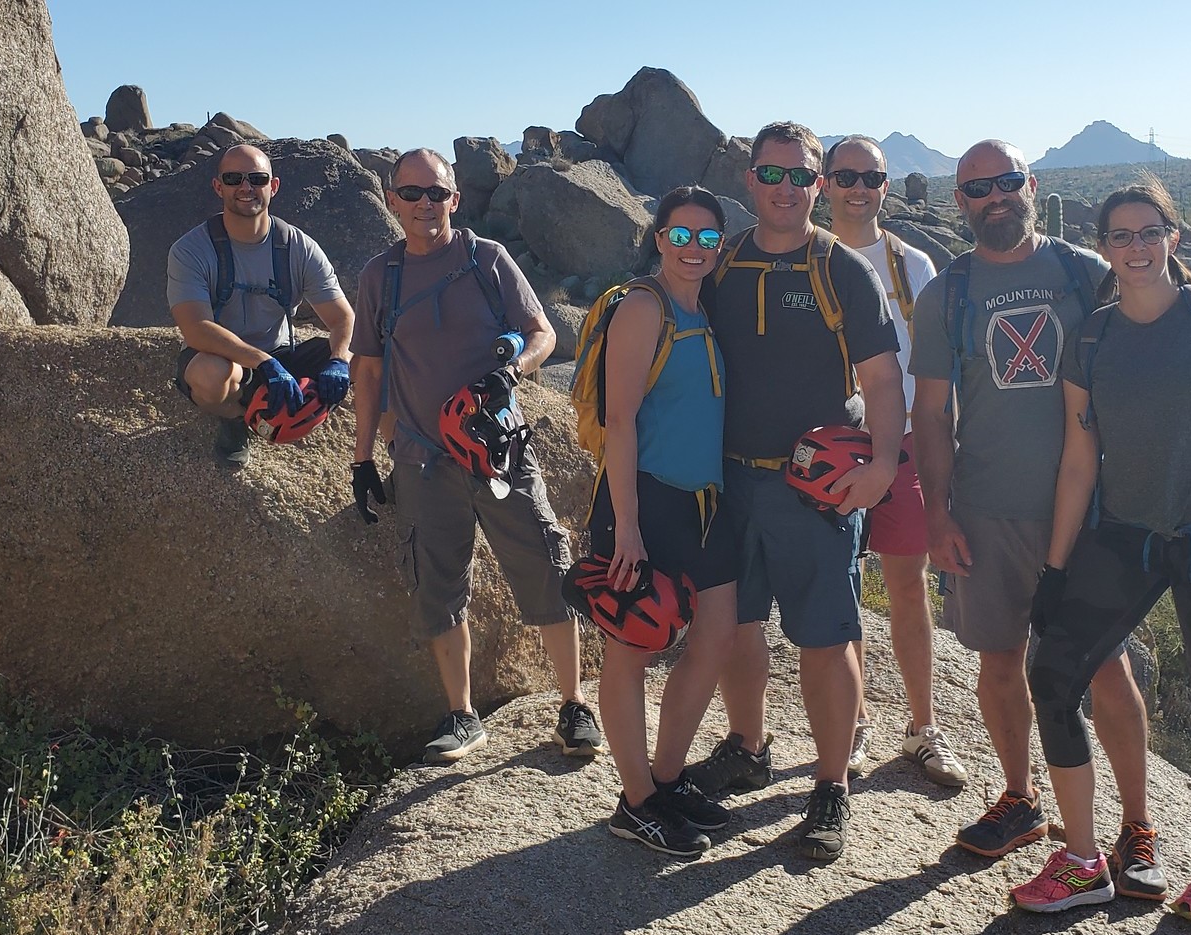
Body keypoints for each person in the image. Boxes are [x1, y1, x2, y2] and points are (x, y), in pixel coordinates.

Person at [910, 140, 1191, 889]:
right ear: (957, 198)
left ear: (1030, 185)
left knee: (1104, 670)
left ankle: (1136, 826)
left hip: (1096, 510)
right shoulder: (947, 291)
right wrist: (936, 512)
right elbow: (929, 413)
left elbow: (1172, 330)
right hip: (988, 504)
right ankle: (1021, 798)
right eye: (975, 187)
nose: (993, 196)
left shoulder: (1081, 269)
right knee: (1000, 662)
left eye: (1005, 181)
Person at [1011, 176, 1191, 927]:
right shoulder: (1094, 337)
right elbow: (1078, 461)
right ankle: (1080, 861)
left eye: (1148, 232)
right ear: (1102, 247)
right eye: (1119, 236)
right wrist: (1055, 565)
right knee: (1052, 675)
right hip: (1125, 533)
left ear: (1173, 237)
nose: (1134, 248)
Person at [686, 122, 904, 862]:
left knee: (823, 634)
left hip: (811, 485)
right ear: (747, 179)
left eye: (799, 176)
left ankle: (831, 784)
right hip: (727, 478)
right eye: (770, 175)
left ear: (818, 183)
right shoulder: (719, 264)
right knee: (737, 624)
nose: (784, 189)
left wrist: (879, 468)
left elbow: (880, 381)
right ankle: (747, 746)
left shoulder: (840, 269)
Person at [348, 148, 602, 766]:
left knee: (545, 564)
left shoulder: (486, 259)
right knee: (437, 588)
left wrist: (511, 367)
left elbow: (544, 332)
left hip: (498, 450)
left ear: (454, 199)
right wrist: (361, 458)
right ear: (391, 200)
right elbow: (370, 367)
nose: (423, 205)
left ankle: (573, 704)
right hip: (421, 458)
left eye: (435, 193)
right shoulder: (381, 276)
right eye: (410, 193)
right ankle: (462, 717)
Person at [590, 186, 740, 858]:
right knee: (629, 652)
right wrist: (626, 526)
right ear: (658, 237)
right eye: (681, 234)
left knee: (714, 636)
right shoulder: (643, 305)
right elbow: (618, 419)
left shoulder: (697, 308)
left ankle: (668, 775)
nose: (693, 248)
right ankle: (636, 801)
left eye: (708, 238)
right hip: (641, 500)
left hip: (701, 505)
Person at [821, 135, 966, 788]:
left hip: (902, 446)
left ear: (885, 186)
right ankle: (850, 721)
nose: (858, 187)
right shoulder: (801, 261)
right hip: (825, 451)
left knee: (907, 586)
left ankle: (920, 724)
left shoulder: (913, 267)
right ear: (823, 183)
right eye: (844, 175)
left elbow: (936, 372)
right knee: (838, 589)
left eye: (870, 177)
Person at [168, 144, 356, 465]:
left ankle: (379, 452)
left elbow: (343, 319)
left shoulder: (299, 248)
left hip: (284, 359)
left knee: (365, 355)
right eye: (233, 178)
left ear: (273, 186)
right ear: (218, 187)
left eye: (257, 178)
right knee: (211, 375)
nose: (246, 187)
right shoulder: (191, 250)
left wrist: (339, 362)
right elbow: (197, 330)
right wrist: (263, 363)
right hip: (229, 360)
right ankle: (235, 419)